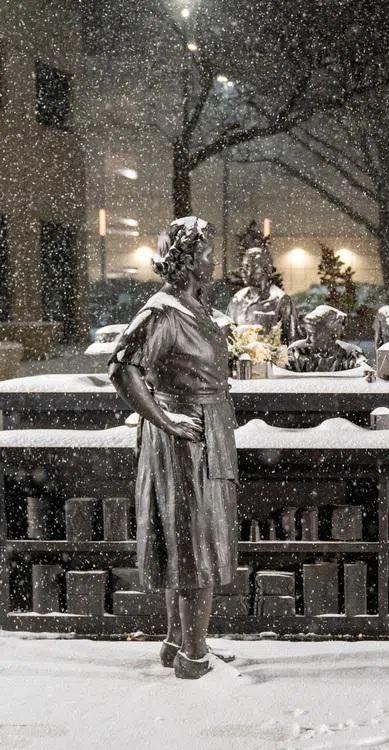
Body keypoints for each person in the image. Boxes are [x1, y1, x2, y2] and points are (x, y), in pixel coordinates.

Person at [108, 217, 237, 680]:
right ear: (184, 260)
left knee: (185, 537)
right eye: (205, 251)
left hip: (205, 429)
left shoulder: (192, 306)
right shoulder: (163, 311)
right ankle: (195, 658)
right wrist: (164, 418)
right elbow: (123, 368)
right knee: (194, 541)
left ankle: (177, 643)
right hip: (185, 436)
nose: (212, 259)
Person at [225, 246, 299, 343]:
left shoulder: (280, 300)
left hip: (270, 357)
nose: (243, 271)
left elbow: (291, 343)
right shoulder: (237, 299)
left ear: (266, 269)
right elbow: (227, 337)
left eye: (250, 266)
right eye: (243, 266)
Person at [287, 304, 367, 372]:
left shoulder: (349, 355)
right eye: (307, 334)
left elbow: (364, 371)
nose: (307, 341)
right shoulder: (298, 352)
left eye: (312, 335)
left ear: (331, 336)